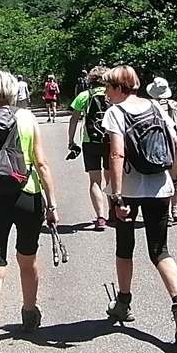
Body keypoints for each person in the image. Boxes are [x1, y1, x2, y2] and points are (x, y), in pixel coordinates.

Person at [0, 70, 58, 353]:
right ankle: (29, 312)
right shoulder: (28, 119)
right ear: (14, 92)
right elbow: (41, 163)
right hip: (27, 195)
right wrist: (52, 202)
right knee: (27, 258)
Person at [101, 65, 177, 346]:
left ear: (119, 88)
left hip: (129, 190)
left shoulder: (115, 113)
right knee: (160, 250)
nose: (106, 93)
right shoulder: (157, 108)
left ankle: (123, 302)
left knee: (124, 247)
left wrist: (116, 196)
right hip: (160, 187)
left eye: (108, 87)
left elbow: (117, 154)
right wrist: (172, 178)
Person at [146, 76, 177, 224]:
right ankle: (175, 209)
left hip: (158, 146)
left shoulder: (149, 105)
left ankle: (165, 212)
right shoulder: (176, 105)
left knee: (162, 178)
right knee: (174, 178)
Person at [66, 66, 110, 230]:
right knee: (111, 178)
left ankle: (100, 217)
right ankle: (113, 213)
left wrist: (71, 141)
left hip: (90, 141)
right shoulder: (112, 95)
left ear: (90, 80)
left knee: (95, 180)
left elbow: (73, 120)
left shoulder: (84, 96)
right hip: (111, 141)